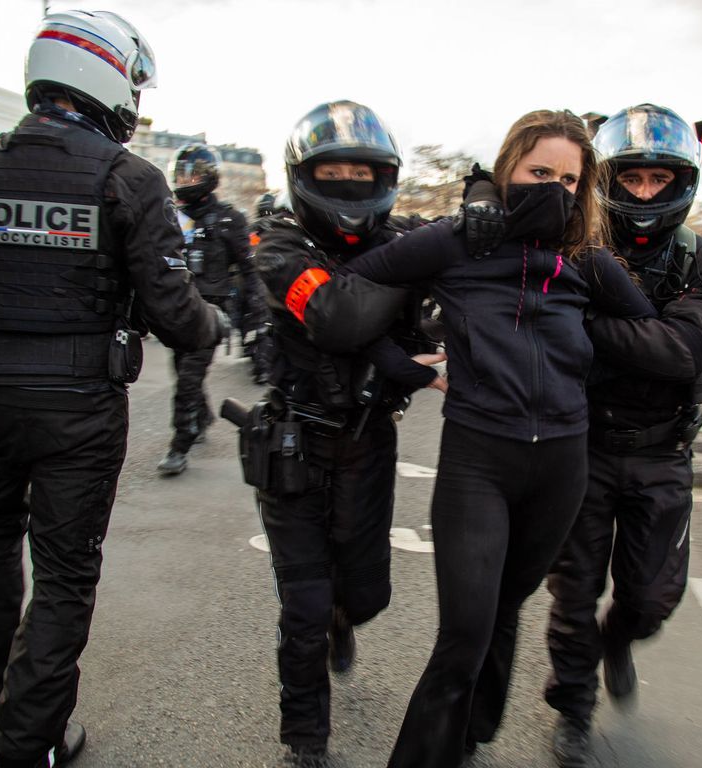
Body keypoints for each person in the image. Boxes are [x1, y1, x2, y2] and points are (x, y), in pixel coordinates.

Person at [0, 11, 227, 767]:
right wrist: (214, 321)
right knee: (64, 575)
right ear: (109, 79)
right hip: (78, 407)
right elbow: (177, 317)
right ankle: (28, 745)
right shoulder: (129, 177)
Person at [311, 109, 656, 768]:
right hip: (479, 462)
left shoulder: (588, 258)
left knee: (505, 609)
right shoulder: (455, 241)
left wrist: (581, 352)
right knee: (464, 633)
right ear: (507, 170)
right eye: (537, 172)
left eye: (567, 178)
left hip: (562, 466)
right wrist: (403, 368)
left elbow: (644, 335)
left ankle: (471, 734)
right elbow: (350, 294)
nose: (552, 187)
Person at [541, 104, 702, 767]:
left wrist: (591, 326)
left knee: (651, 601)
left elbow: (684, 350)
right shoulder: (576, 246)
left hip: (662, 453)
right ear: (609, 182)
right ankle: (572, 707)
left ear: (681, 182)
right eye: (633, 180)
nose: (646, 194)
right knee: (573, 594)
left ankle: (618, 639)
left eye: (659, 180)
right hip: (583, 448)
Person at [249, 100, 443, 768]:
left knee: (363, 596)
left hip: (368, 444)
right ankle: (305, 738)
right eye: (333, 171)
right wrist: (409, 264)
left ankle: (342, 618)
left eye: (363, 172)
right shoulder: (279, 247)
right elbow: (335, 314)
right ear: (305, 176)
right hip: (293, 448)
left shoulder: (405, 243)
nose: (350, 185)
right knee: (301, 605)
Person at [157, 143, 253, 475]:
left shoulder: (229, 218)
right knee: (180, 370)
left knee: (187, 378)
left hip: (213, 312)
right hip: (180, 308)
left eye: (193, 174)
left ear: (209, 177)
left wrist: (257, 321)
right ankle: (203, 416)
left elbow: (249, 270)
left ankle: (179, 445)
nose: (185, 180)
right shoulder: (172, 215)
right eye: (181, 174)